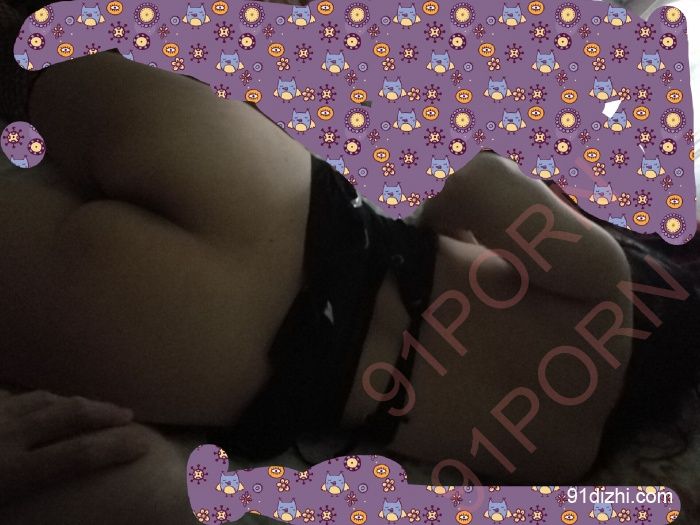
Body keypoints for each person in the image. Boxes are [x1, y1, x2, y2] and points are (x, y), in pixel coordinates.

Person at [0, 1, 698, 522]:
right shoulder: (564, 459)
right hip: (236, 357)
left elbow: (469, 185)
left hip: (282, 211)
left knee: (48, 65)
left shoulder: (606, 277)